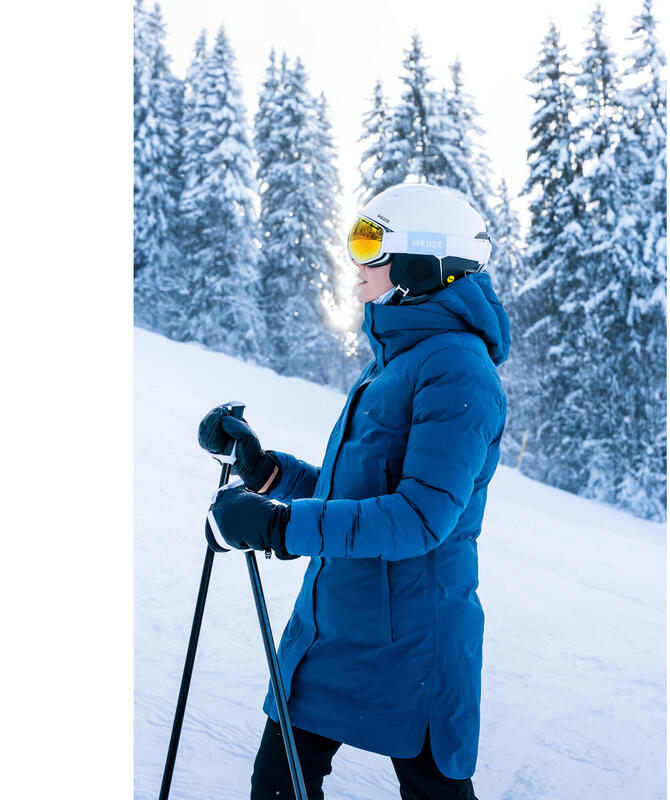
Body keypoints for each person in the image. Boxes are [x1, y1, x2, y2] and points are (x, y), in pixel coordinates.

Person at [200, 183, 510, 800]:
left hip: (415, 640)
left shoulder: (456, 369)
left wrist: (279, 528)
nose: (357, 264)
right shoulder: (396, 361)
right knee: (277, 783)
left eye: (372, 246)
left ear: (424, 261)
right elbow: (357, 491)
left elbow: (418, 518)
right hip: (339, 626)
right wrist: (266, 474)